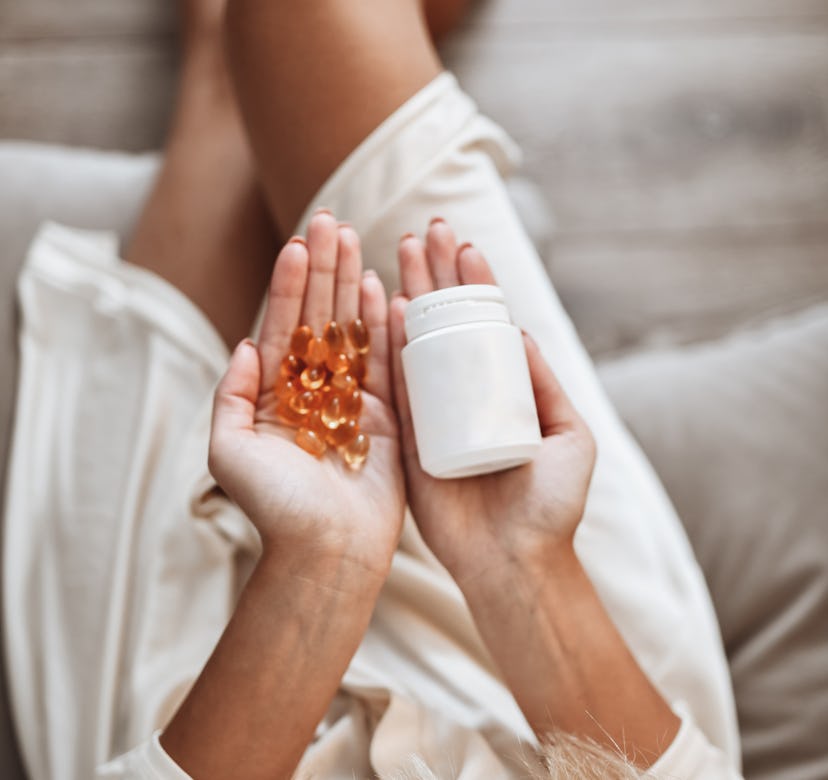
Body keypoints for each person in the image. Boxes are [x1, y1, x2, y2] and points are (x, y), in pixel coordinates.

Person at [3, 0, 741, 777]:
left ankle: (220, 62)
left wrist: (322, 562)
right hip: (554, 688)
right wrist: (519, 561)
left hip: (201, 727)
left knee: (227, 73)